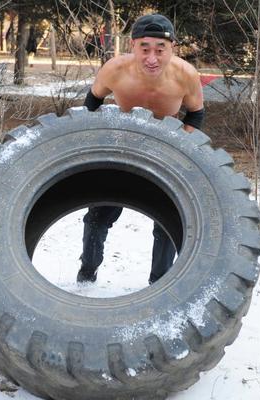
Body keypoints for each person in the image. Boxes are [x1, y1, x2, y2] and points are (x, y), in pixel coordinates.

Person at [77, 14, 205, 285]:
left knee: (167, 224)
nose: (152, 57)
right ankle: (86, 276)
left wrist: (178, 142)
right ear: (132, 45)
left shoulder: (186, 76)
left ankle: (158, 283)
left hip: (165, 151)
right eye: (144, 48)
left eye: (161, 49)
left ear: (172, 48)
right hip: (122, 147)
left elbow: (195, 115)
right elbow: (91, 104)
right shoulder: (114, 69)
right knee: (98, 216)